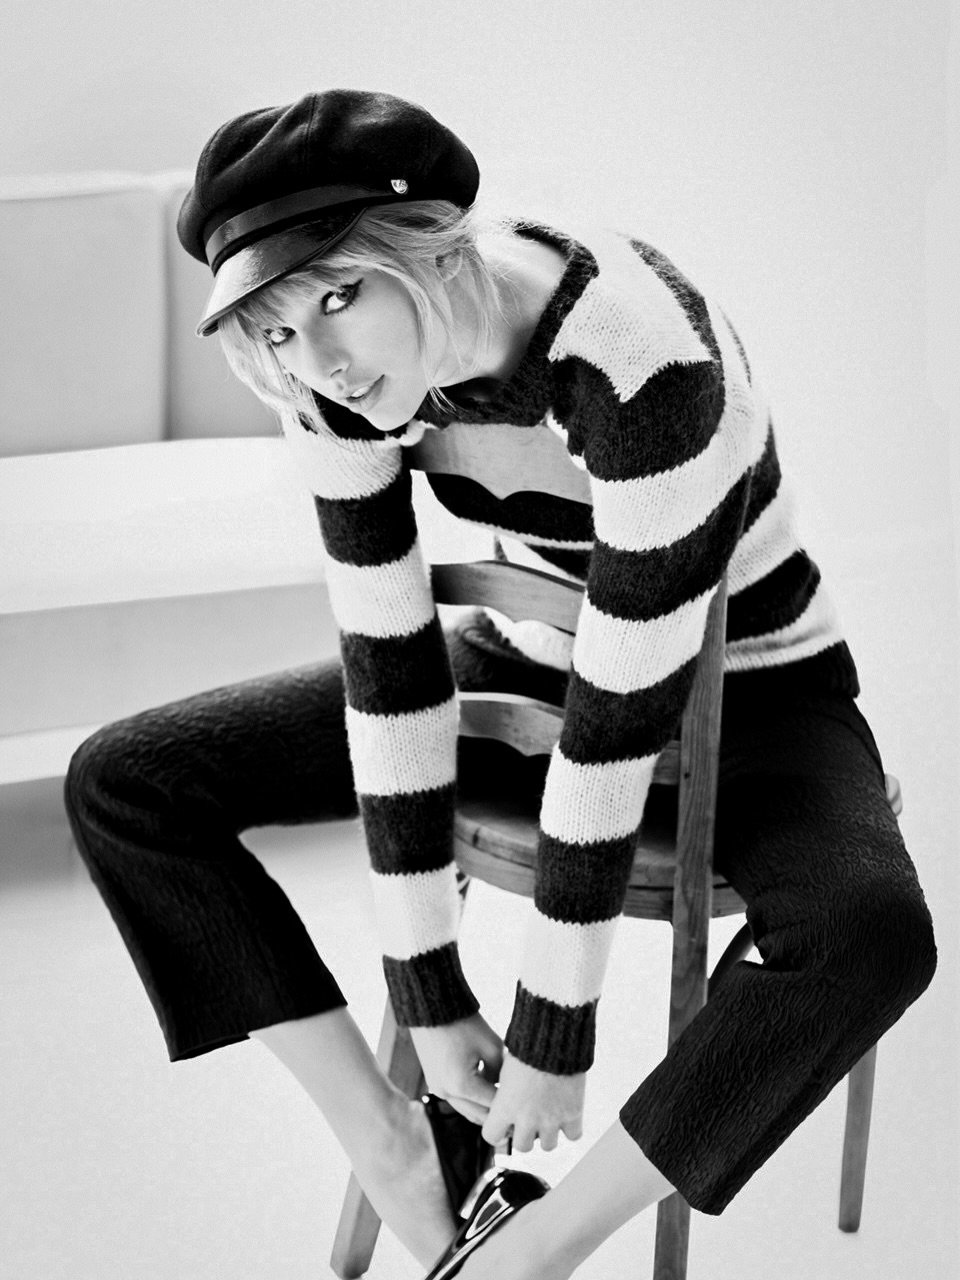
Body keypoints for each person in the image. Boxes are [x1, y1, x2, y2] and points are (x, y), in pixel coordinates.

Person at [64, 88, 937, 1279]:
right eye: (274, 329)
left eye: (338, 295)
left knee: (871, 929)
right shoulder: (322, 384)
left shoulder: (646, 359)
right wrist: (427, 993)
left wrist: (551, 1028)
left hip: (754, 687)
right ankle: (395, 1149)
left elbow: (615, 725)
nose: (318, 360)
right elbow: (390, 672)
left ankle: (529, 1253)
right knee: (128, 781)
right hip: (530, 658)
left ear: (432, 246)